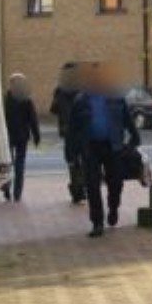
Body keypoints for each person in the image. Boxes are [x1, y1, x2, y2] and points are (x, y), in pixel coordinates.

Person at [67, 63, 140, 238]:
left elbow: (128, 120)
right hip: (90, 148)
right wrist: (71, 153)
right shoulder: (80, 100)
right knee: (92, 185)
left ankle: (113, 207)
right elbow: (72, 129)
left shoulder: (116, 98)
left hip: (113, 146)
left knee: (115, 183)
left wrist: (134, 138)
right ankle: (97, 222)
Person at [50, 61, 85, 203]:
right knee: (83, 159)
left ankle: (76, 190)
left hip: (67, 130)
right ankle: (81, 189)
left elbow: (53, 109)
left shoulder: (60, 90)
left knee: (72, 161)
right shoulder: (82, 89)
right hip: (81, 130)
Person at [2, 73, 41, 202]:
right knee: (20, 163)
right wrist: (36, 135)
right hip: (22, 135)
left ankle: (6, 187)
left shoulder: (6, 98)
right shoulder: (26, 99)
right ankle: (17, 193)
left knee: (7, 162)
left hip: (8, 135)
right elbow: (33, 119)